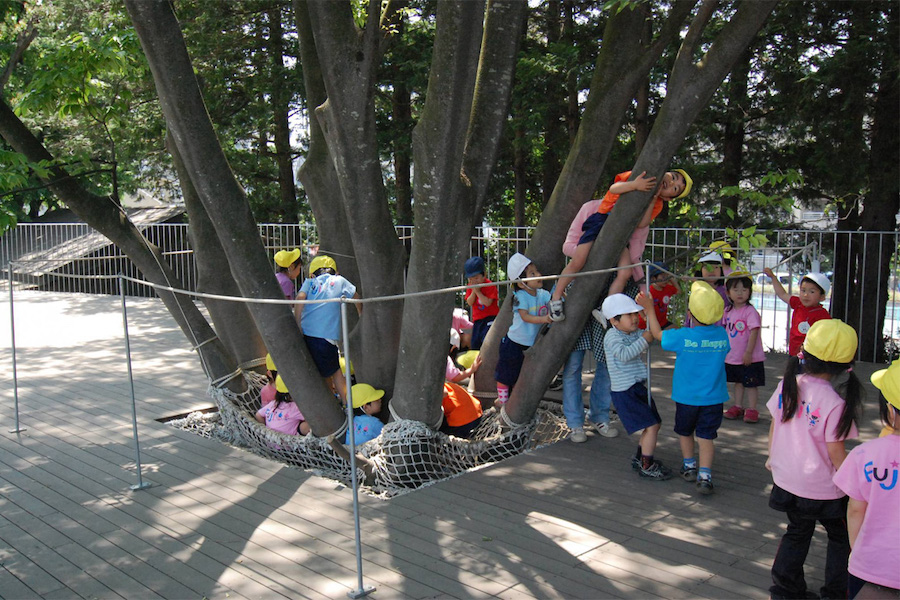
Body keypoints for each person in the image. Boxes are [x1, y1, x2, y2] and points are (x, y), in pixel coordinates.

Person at [765, 319, 863, 600]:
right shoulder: (835, 403)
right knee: (840, 536)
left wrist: (772, 457)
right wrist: (855, 483)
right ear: (845, 366)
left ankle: (785, 588)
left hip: (787, 480)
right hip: (825, 489)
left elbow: (775, 424)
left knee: (796, 531)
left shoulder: (788, 385)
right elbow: (836, 452)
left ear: (804, 354)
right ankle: (835, 592)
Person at [548, 168, 692, 321]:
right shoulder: (639, 174)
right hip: (601, 221)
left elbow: (643, 223)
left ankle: (606, 309)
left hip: (620, 233)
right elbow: (614, 188)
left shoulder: (657, 204)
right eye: (674, 176)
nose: (671, 182)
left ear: (669, 198)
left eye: (674, 188)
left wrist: (652, 200)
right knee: (578, 260)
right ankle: (556, 298)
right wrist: (635, 185)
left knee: (625, 272)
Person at [645, 281, 729, 495]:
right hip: (713, 399)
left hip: (686, 398)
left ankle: (689, 465)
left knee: (685, 432)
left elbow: (657, 334)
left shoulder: (683, 336)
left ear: (690, 313)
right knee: (706, 436)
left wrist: (649, 309)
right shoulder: (721, 336)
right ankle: (705, 475)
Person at [833, 361, 900, 599]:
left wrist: (856, 548)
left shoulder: (865, 454)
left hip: (871, 565)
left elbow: (854, 510)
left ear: (890, 409)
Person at [602, 293, 672, 480]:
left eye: (635, 313)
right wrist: (644, 340)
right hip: (625, 391)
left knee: (654, 424)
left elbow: (651, 333)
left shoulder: (633, 333)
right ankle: (647, 464)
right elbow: (624, 354)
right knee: (651, 425)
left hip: (636, 387)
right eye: (629, 315)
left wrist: (647, 313)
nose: (634, 318)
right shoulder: (611, 336)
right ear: (614, 321)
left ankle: (641, 458)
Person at [297, 255, 361, 406]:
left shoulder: (310, 282)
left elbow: (300, 297)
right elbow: (356, 295)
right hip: (326, 337)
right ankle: (347, 403)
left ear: (313, 273)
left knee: (324, 371)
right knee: (336, 371)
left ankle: (331, 401)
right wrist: (361, 314)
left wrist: (297, 322)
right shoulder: (339, 281)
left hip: (308, 334)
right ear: (336, 272)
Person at [494, 252, 552, 408]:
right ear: (521, 283)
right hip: (514, 342)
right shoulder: (520, 296)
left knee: (522, 374)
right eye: (532, 273)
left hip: (531, 344)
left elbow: (554, 299)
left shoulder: (543, 294)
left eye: (537, 271)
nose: (539, 275)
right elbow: (525, 316)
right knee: (505, 372)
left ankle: (516, 400)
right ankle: (503, 401)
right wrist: (544, 319)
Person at [722, 272, 765, 424]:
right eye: (736, 289)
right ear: (728, 292)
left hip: (750, 357)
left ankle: (752, 408)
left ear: (750, 292)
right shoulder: (727, 311)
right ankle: (738, 405)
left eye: (744, 290)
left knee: (751, 383)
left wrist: (748, 352)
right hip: (733, 356)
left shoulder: (750, 312)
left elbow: (754, 331)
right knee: (738, 382)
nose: (740, 293)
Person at [764, 267, 831, 356]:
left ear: (822, 297)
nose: (806, 295)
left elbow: (827, 336)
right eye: (803, 290)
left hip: (812, 357)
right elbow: (782, 294)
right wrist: (773, 277)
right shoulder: (798, 303)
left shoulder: (823, 315)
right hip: (793, 353)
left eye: (812, 292)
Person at [464, 256, 500, 350]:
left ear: (484, 275)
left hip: (490, 318)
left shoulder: (489, 285)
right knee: (475, 342)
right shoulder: (470, 287)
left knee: (487, 340)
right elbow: (470, 302)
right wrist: (474, 291)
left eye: (476, 278)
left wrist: (479, 292)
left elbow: (488, 303)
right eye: (470, 279)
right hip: (477, 320)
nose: (473, 281)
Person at [637, 262, 679, 330]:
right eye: (663, 277)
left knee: (678, 332)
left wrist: (672, 280)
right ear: (653, 278)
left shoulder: (668, 288)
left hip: (662, 323)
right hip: (646, 325)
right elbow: (638, 305)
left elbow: (678, 291)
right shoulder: (648, 291)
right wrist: (644, 317)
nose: (666, 279)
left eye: (667, 276)